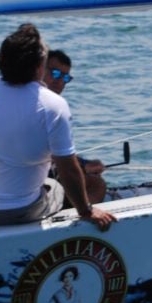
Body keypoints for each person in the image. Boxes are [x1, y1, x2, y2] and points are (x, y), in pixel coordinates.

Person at [0, 23, 116, 230]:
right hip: (15, 211)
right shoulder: (53, 105)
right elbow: (68, 170)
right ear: (39, 67)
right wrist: (87, 211)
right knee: (60, 187)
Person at [43, 49, 108, 204]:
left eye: (66, 77)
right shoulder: (51, 107)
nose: (60, 81)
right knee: (96, 184)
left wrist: (84, 163)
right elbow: (56, 160)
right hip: (32, 186)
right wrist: (84, 167)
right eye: (56, 74)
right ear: (40, 69)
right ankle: (83, 219)